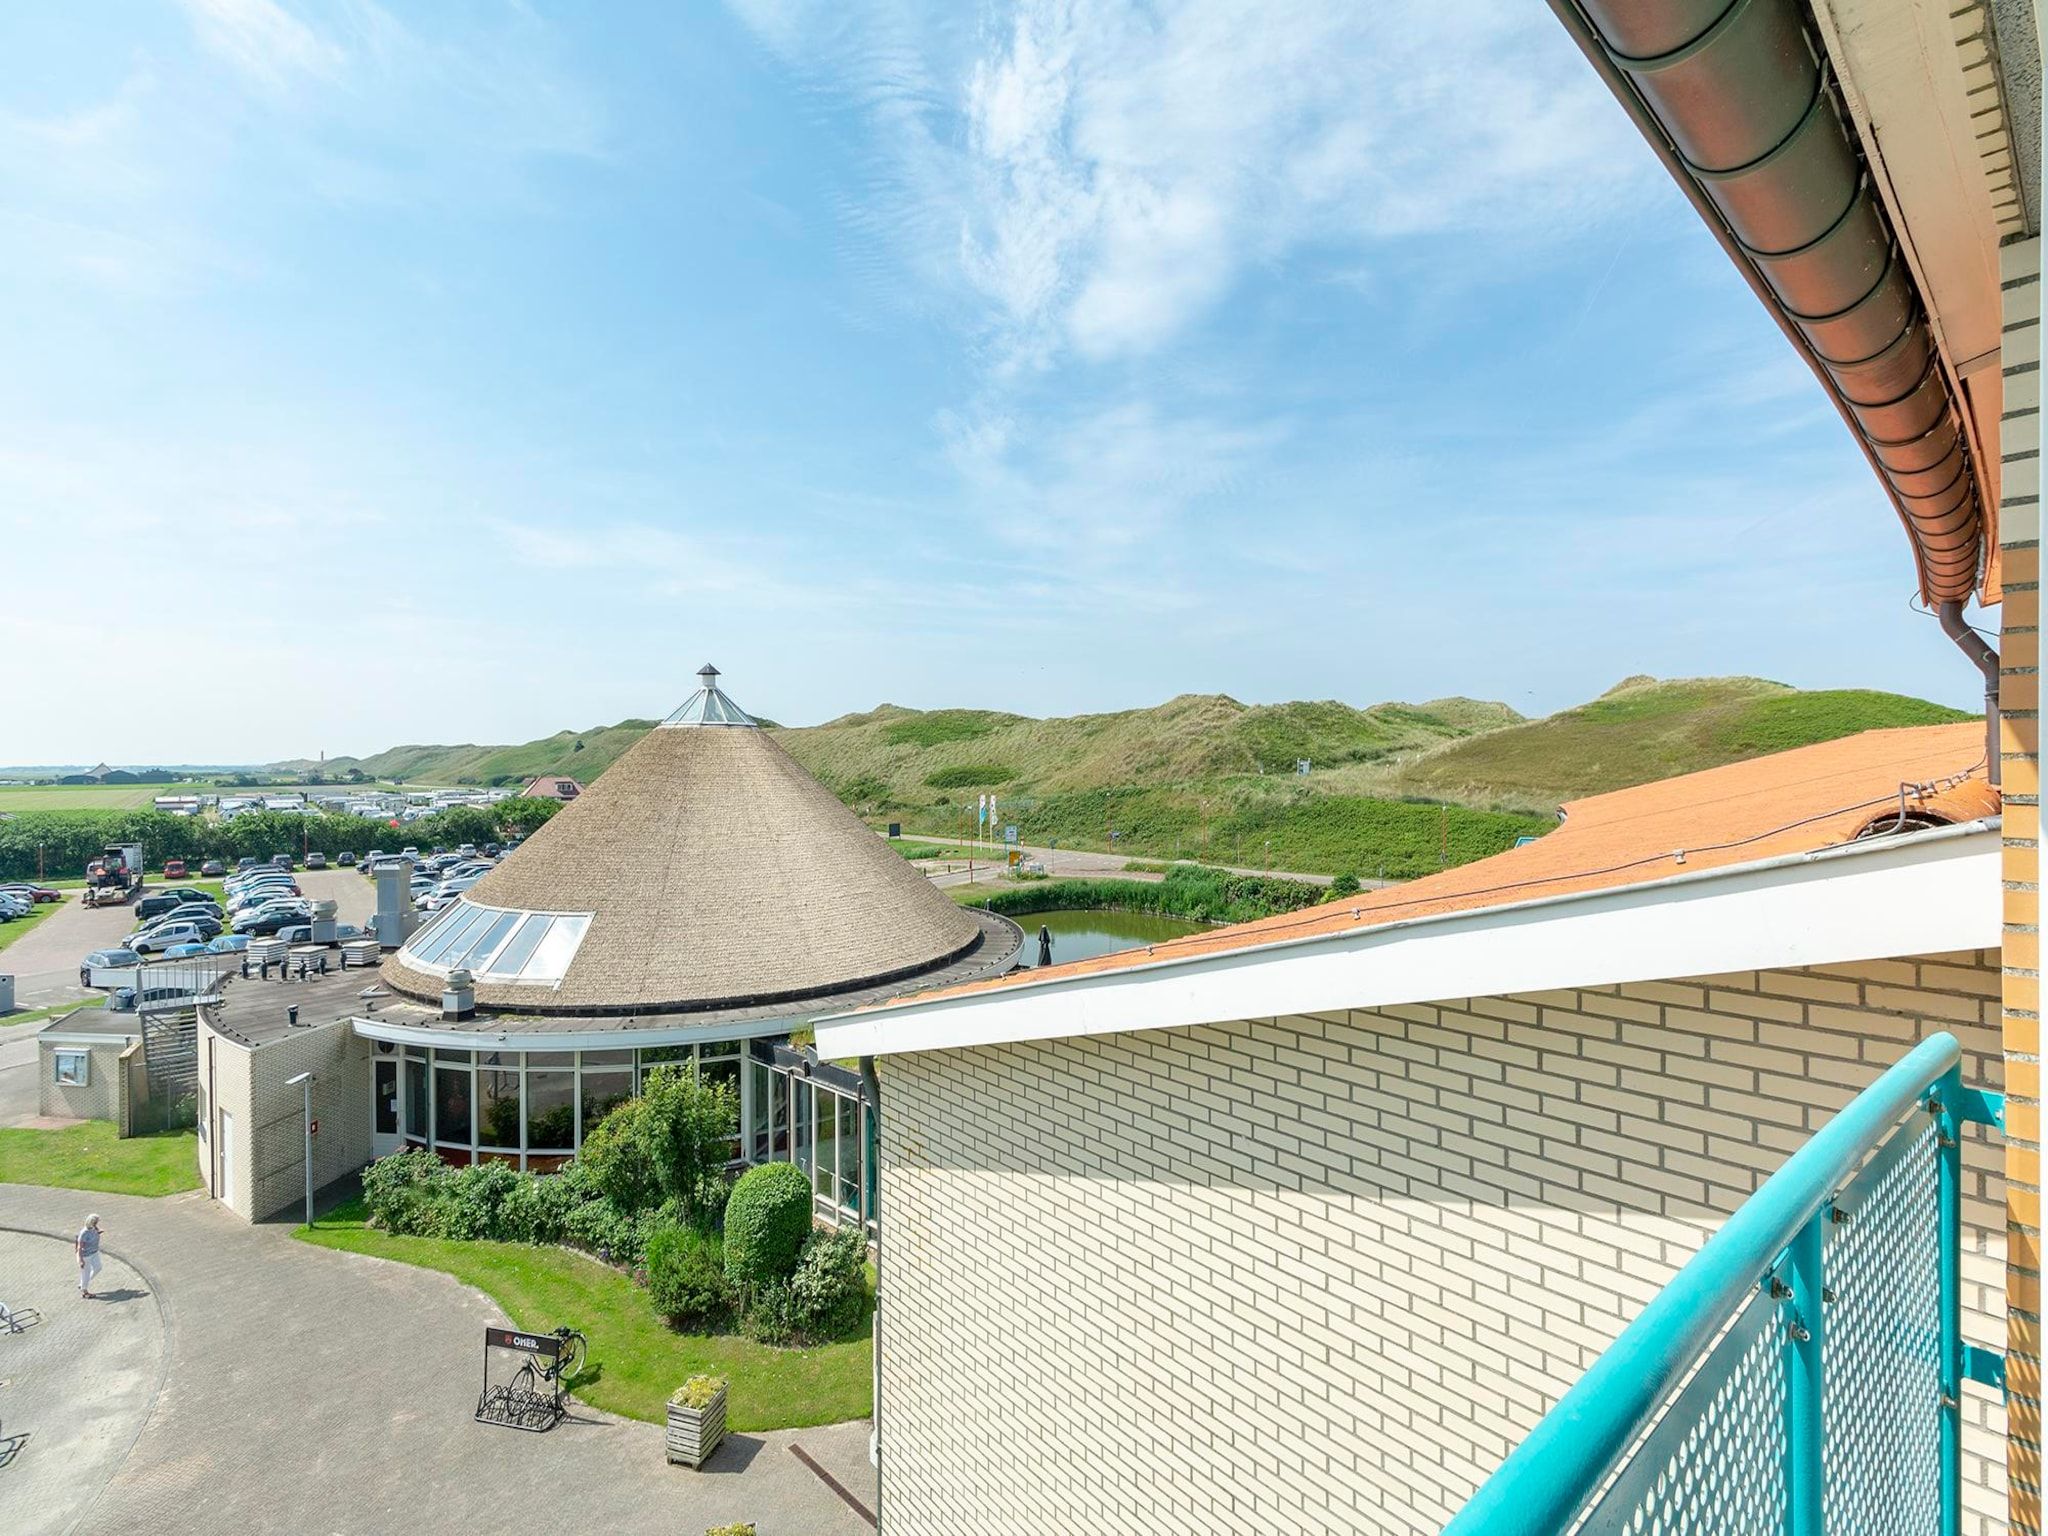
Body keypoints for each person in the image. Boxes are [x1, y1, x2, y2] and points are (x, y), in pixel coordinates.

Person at [76, 1214, 104, 1299]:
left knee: (98, 1267)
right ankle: (85, 1292)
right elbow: (80, 1247)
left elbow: (95, 1233)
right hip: (86, 1255)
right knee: (85, 1273)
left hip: (94, 1252)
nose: (97, 1223)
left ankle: (83, 1284)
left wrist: (98, 1233)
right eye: (96, 1222)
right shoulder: (84, 1233)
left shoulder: (94, 1228)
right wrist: (81, 1260)